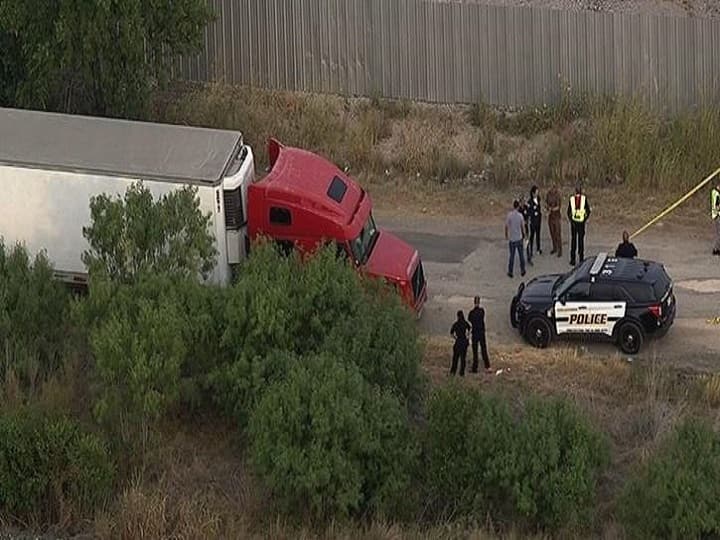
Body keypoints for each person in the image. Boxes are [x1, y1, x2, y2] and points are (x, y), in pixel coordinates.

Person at [567, 185, 591, 266]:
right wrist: (585, 219)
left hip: (574, 223)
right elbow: (588, 210)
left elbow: (568, 212)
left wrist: (571, 220)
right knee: (581, 241)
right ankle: (581, 259)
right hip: (581, 223)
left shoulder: (572, 199)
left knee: (573, 241)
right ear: (581, 191)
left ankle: (572, 259)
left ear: (575, 191)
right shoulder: (584, 199)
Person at [468, 296, 491, 373]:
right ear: (479, 302)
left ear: (474, 302)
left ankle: (475, 368)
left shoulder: (471, 313)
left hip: (475, 333)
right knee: (483, 349)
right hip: (481, 333)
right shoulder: (482, 311)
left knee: (475, 351)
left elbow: (469, 319)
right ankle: (487, 366)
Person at [505, 200, 527, 278]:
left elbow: (506, 226)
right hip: (519, 238)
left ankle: (510, 271)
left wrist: (506, 235)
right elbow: (523, 227)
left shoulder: (509, 215)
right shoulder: (520, 216)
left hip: (512, 239)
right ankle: (523, 270)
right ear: (518, 207)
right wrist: (524, 235)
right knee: (521, 255)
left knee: (512, 256)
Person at [450, 310, 470, 376]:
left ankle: (453, 371)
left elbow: (451, 333)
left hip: (458, 342)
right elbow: (470, 328)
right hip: (464, 341)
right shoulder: (465, 323)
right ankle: (462, 372)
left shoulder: (456, 324)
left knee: (455, 358)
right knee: (463, 359)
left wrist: (455, 338)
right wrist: (467, 336)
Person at [545, 183, 562, 258]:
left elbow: (558, 207)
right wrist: (547, 208)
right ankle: (554, 247)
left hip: (556, 217)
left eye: (552, 188)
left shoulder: (557, 195)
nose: (551, 189)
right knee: (552, 233)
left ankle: (560, 250)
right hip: (550, 217)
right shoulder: (548, 194)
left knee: (557, 234)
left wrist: (551, 209)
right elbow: (546, 203)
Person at [527, 185, 542, 258]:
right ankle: (531, 250)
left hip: (538, 220)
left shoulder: (538, 199)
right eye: (536, 192)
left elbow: (539, 208)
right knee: (532, 236)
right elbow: (529, 211)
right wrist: (534, 212)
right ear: (533, 193)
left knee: (538, 235)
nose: (537, 193)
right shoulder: (529, 202)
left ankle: (538, 248)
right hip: (533, 221)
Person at [518, 195, 533, 266]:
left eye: (523, 201)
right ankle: (522, 260)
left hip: (526, 229)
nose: (523, 203)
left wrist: (528, 220)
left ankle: (529, 258)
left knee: (527, 244)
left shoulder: (526, 208)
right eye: (521, 202)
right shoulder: (518, 210)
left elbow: (529, 214)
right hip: (520, 230)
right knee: (520, 245)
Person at [712, 181, 720, 256]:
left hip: (715, 215)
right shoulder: (717, 194)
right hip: (718, 216)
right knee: (718, 234)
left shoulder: (714, 192)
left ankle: (716, 249)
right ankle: (716, 249)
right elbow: (717, 206)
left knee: (717, 233)